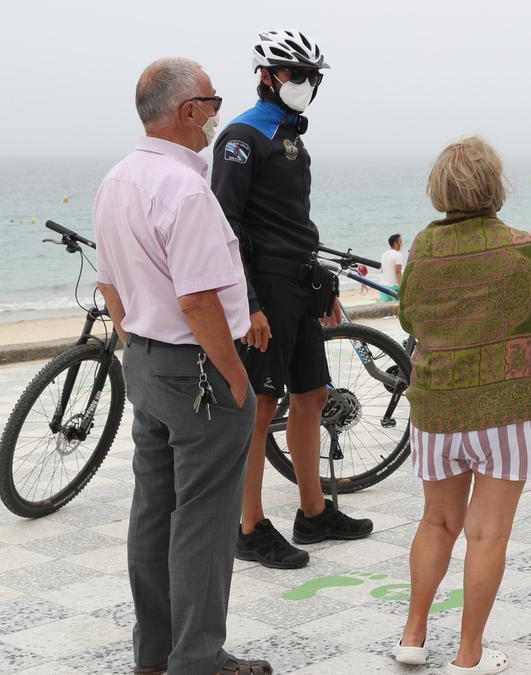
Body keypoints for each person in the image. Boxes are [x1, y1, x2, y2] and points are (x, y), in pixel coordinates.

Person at [93, 57, 272, 675]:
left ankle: (156, 653)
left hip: (145, 360)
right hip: (195, 367)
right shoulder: (185, 188)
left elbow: (110, 286)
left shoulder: (117, 180)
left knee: (153, 510)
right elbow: (198, 300)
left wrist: (139, 343)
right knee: (203, 515)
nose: (216, 115)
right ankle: (197, 657)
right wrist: (235, 373)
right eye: (212, 102)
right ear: (188, 111)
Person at [395, 136, 531, 675]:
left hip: (438, 407)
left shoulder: (422, 249)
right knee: (487, 533)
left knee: (436, 522)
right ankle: (468, 654)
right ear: (494, 186)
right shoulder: (524, 248)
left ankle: (413, 635)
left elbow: (411, 318)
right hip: (507, 412)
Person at [212, 30, 372, 570]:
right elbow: (226, 226)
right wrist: (248, 302)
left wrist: (321, 278)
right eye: (295, 74)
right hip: (264, 288)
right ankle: (248, 526)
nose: (305, 84)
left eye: (312, 77)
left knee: (313, 395)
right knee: (260, 406)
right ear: (266, 76)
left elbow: (292, 220)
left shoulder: (291, 136)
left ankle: (313, 511)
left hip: (298, 283)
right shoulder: (241, 137)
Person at [379, 233, 404, 301]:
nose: (402, 244)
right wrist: (402, 288)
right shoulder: (398, 255)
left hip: (383, 286)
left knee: (384, 310)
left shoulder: (383, 254)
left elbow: (382, 271)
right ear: (395, 243)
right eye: (400, 241)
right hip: (393, 287)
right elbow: (398, 272)